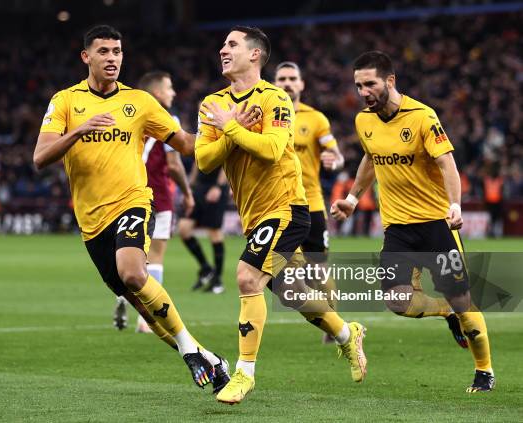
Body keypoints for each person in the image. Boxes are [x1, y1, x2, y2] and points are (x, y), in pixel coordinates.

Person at [33, 24, 229, 393]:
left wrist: (226, 131)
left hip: (134, 201)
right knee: (138, 301)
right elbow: (41, 157)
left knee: (134, 274)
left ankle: (189, 350)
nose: (112, 59)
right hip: (91, 220)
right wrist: (79, 130)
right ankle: (208, 357)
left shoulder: (140, 102)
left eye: (117, 52)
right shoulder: (64, 102)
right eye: (104, 51)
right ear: (86, 56)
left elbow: (186, 145)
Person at [196, 26, 367, 404]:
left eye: (232, 44)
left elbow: (272, 149)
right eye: (223, 44)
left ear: (255, 54)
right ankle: (346, 333)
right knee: (291, 292)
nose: (223, 49)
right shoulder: (212, 104)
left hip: (287, 206)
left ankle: (243, 373)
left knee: (246, 277)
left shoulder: (276, 98)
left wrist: (231, 128)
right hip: (253, 214)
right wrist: (232, 127)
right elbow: (204, 160)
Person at [331, 50, 494, 392]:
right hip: (397, 228)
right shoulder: (364, 120)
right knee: (397, 302)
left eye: (370, 84)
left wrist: (455, 204)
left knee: (464, 301)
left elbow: (447, 163)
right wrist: (351, 198)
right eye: (359, 85)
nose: (363, 92)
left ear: (390, 81)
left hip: (437, 225)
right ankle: (444, 312)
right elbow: (370, 158)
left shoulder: (422, 116)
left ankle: (484, 370)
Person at [113, 70, 196, 333]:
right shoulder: (166, 118)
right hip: (157, 193)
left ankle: (121, 296)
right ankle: (146, 319)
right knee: (155, 256)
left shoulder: (126, 114)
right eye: (170, 88)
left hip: (124, 192)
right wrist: (187, 191)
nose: (173, 93)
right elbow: (173, 164)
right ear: (158, 92)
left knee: (131, 254)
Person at [274, 61, 344, 342]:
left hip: (311, 204)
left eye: (293, 78)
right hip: (277, 205)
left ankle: (333, 321)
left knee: (317, 268)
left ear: (301, 84)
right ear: (273, 83)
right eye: (282, 79)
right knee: (279, 270)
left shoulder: (316, 119)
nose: (288, 83)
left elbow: (336, 154)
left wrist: (334, 161)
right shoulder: (265, 115)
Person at [178, 163, 228, 294]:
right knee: (184, 229)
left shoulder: (225, 141)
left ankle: (217, 279)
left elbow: (227, 162)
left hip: (216, 187)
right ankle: (206, 268)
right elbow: (197, 160)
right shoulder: (200, 141)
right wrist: (190, 186)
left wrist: (218, 186)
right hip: (199, 187)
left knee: (214, 231)